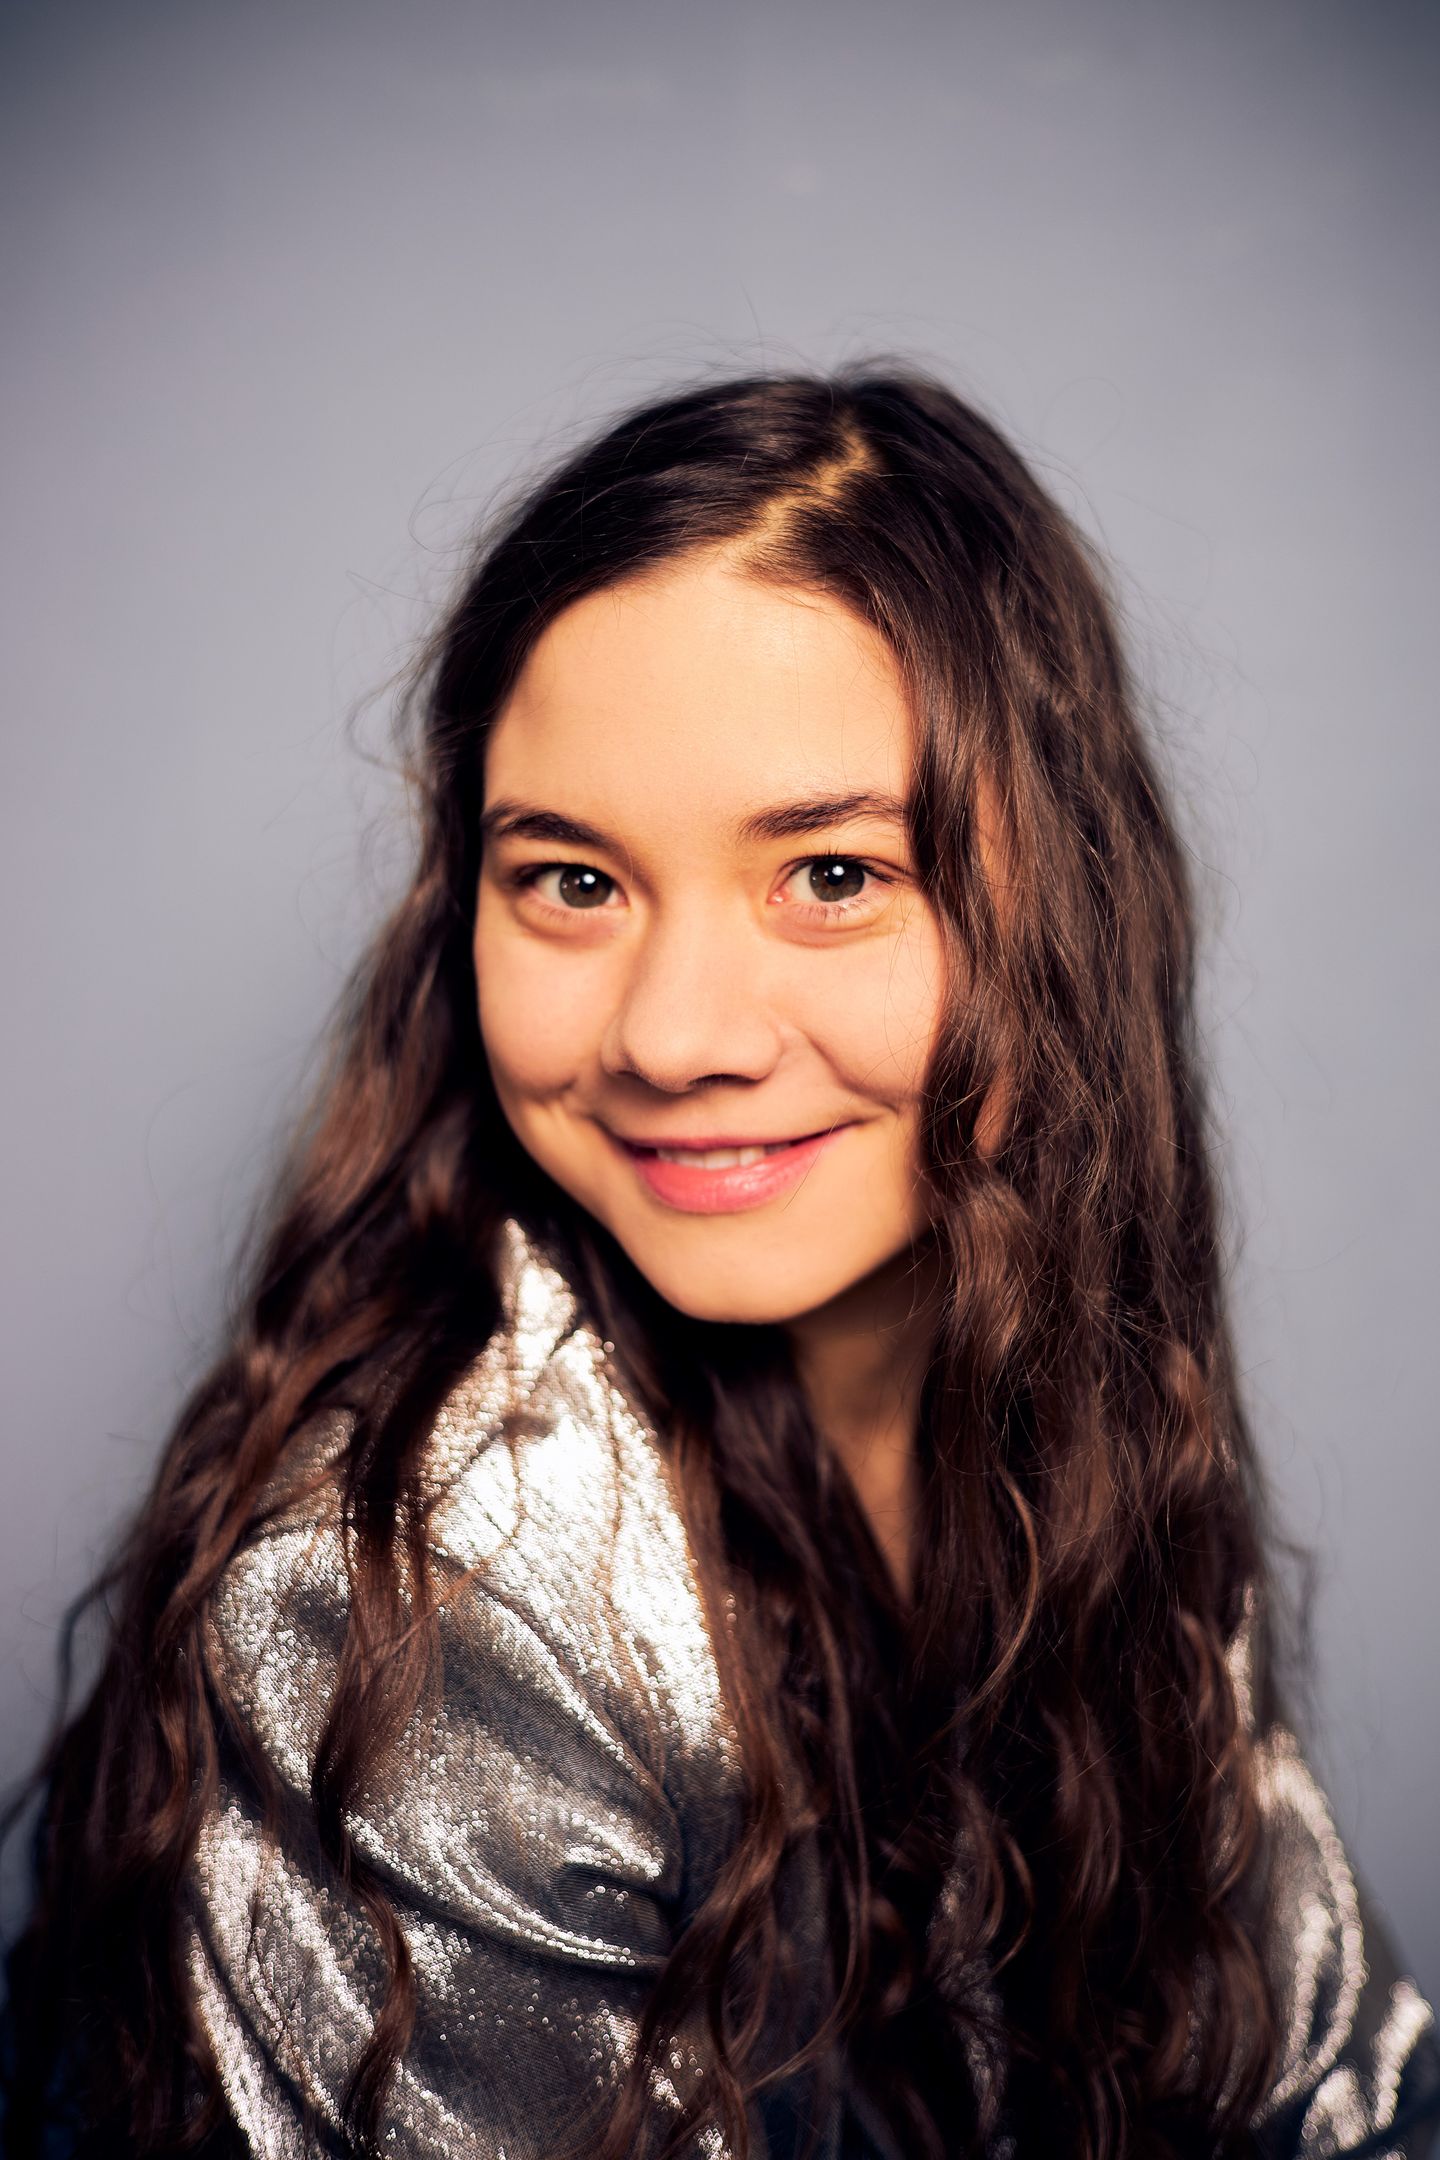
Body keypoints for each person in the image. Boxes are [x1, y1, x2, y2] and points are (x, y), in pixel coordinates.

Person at [3, 366, 1437, 2160]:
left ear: (1060, 910)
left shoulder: (1085, 1449)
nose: (675, 1036)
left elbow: (1346, 2097)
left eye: (831, 875)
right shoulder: (427, 1600)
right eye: (573, 881)